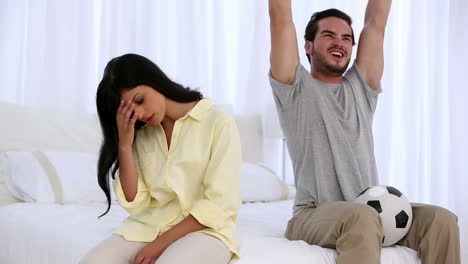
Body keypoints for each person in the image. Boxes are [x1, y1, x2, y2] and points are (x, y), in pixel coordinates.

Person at [268, 1, 460, 263]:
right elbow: (280, 17)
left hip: (370, 209)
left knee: (442, 219)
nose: (340, 42)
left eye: (347, 38)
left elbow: (376, 22)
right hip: (312, 214)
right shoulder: (294, 89)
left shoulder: (361, 87)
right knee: (363, 217)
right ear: (308, 46)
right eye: (329, 35)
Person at [80, 53, 242, 264]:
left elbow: (219, 203)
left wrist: (159, 245)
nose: (138, 114)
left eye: (139, 100)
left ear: (154, 81)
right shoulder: (142, 133)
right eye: (130, 110)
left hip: (206, 230)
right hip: (148, 227)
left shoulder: (218, 123)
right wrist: (124, 146)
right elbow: (134, 203)